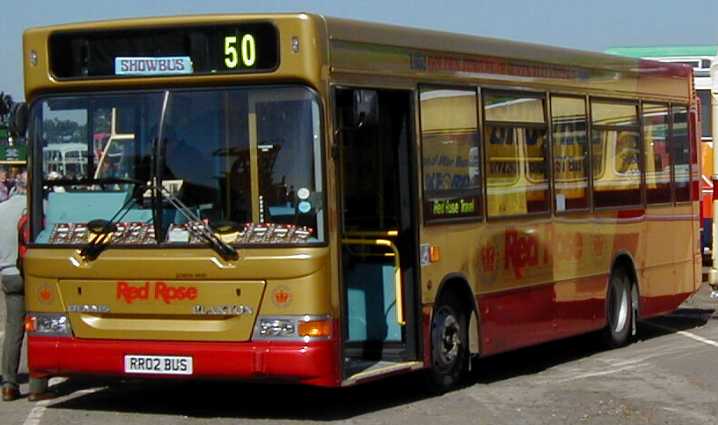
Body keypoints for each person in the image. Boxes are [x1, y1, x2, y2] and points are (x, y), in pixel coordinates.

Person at [1, 172, 52, 401]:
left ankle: (9, 383)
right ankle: (37, 384)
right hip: (35, 275)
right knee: (39, 326)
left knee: (13, 330)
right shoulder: (42, 207)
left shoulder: (2, 209)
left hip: (9, 274)